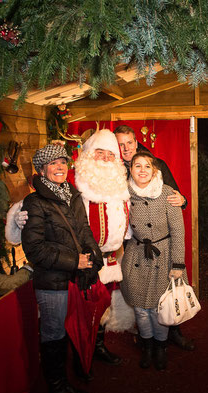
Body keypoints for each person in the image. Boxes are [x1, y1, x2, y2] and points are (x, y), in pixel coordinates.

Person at [21, 143, 103, 393]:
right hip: (52, 280)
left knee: (74, 326)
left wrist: (94, 257)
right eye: (53, 163)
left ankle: (74, 372)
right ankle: (56, 388)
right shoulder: (34, 202)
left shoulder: (73, 194)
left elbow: (84, 230)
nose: (59, 167)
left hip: (76, 276)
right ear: (42, 170)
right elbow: (34, 249)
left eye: (63, 162)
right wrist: (73, 261)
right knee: (54, 332)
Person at [114, 125, 195, 351]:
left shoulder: (154, 164)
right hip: (134, 242)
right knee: (139, 298)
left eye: (129, 142)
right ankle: (147, 338)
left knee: (167, 294)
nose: (126, 148)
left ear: (136, 141)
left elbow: (175, 196)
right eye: (120, 144)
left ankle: (173, 332)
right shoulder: (115, 171)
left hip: (161, 243)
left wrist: (184, 200)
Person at [73, 129, 135, 367]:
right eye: (100, 153)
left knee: (103, 306)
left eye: (110, 154)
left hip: (110, 260)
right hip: (84, 260)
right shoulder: (75, 184)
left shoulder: (119, 185)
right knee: (83, 308)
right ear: (89, 154)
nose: (106, 159)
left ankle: (97, 346)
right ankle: (81, 353)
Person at [120, 151, 186, 371]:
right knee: (140, 308)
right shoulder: (123, 194)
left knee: (160, 308)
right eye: (137, 166)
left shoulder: (167, 193)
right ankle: (147, 346)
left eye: (147, 166)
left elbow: (178, 231)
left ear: (155, 170)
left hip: (164, 255)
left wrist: (178, 264)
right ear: (130, 170)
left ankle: (161, 347)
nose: (142, 170)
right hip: (136, 254)